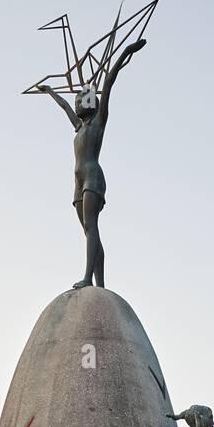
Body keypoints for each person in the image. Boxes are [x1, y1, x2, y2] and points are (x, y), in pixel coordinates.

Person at [37, 36, 147, 289]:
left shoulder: (99, 122)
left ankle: (89, 279)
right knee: (89, 231)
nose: (76, 103)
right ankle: (100, 284)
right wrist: (51, 91)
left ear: (91, 101)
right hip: (77, 182)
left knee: (92, 226)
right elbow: (65, 107)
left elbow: (109, 81)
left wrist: (127, 52)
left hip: (93, 177)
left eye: (81, 99)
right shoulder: (79, 128)